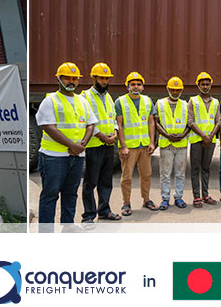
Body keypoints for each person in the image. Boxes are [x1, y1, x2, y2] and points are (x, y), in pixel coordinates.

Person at [36, 62, 96, 231]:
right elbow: (48, 126)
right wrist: (72, 145)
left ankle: (68, 225)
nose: (71, 81)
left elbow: (90, 124)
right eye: (67, 78)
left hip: (76, 157)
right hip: (53, 157)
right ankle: (46, 231)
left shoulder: (82, 101)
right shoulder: (51, 100)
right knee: (50, 195)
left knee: (70, 193)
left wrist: (82, 144)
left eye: (74, 78)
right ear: (59, 79)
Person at [79, 63, 120, 223]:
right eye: (101, 78)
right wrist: (103, 136)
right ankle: (88, 215)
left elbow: (113, 118)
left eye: (106, 78)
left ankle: (104, 210)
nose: (104, 81)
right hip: (94, 145)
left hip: (108, 145)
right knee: (90, 182)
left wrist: (115, 133)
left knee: (106, 181)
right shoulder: (85, 97)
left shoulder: (108, 97)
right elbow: (87, 122)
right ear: (93, 78)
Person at [114, 71, 157, 215]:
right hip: (129, 148)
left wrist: (152, 142)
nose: (136, 87)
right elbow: (119, 125)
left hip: (144, 145)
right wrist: (123, 146)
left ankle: (146, 199)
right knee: (127, 177)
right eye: (133, 84)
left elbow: (151, 122)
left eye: (139, 84)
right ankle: (126, 203)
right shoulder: (120, 101)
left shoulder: (147, 100)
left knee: (147, 174)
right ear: (127, 86)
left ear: (143, 87)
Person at [156, 76, 191, 209]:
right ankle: (165, 198)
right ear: (168, 89)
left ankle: (178, 197)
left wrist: (182, 135)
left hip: (181, 144)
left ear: (181, 90)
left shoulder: (185, 104)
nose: (175, 92)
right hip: (166, 143)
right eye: (173, 89)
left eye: (178, 90)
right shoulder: (160, 103)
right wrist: (166, 135)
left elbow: (190, 123)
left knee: (180, 173)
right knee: (165, 173)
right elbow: (156, 121)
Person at [188, 72, 221, 208]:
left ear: (210, 85)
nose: (205, 86)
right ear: (198, 85)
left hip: (210, 141)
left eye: (207, 84)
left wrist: (211, 136)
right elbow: (190, 121)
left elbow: (218, 121)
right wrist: (203, 136)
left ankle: (205, 194)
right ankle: (197, 197)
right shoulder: (193, 101)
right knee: (195, 168)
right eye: (203, 84)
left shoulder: (215, 102)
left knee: (206, 168)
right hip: (197, 140)